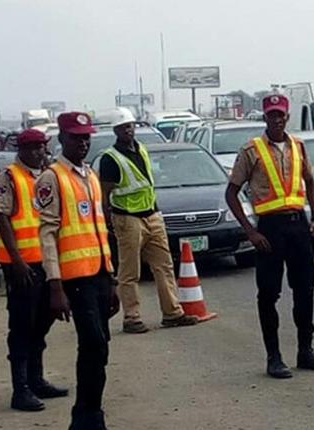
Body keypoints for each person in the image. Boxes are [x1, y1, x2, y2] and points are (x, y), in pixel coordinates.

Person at [225, 95, 314, 379]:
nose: (277, 119)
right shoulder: (252, 150)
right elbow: (231, 192)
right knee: (269, 293)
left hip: (298, 226)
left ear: (287, 116)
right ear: (265, 118)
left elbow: (310, 181)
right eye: (272, 115)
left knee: (305, 288)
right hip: (269, 230)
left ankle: (305, 350)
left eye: (281, 115)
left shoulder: (298, 146)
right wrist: (250, 231)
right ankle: (274, 357)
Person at [36, 112, 119, 428]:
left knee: (100, 350)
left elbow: (100, 230)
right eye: (76, 137)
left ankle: (89, 413)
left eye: (86, 137)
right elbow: (47, 234)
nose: (83, 142)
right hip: (74, 280)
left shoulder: (90, 175)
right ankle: (86, 417)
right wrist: (55, 286)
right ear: (62, 139)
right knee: (93, 346)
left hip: (98, 275)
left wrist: (111, 279)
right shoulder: (52, 178)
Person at [98, 107, 198, 332]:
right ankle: (132, 318)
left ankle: (172, 312)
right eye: (124, 127)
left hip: (151, 214)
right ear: (116, 130)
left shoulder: (141, 149)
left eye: (130, 126)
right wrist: (108, 222)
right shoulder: (110, 159)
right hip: (128, 218)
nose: (128, 130)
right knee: (129, 271)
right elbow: (105, 194)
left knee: (164, 266)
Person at [0, 129, 68, 412]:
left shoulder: (47, 176)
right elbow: (1, 218)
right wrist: (17, 261)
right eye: (32, 148)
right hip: (21, 265)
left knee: (43, 321)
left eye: (42, 147)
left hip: (47, 263)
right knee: (22, 325)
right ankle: (20, 389)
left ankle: (36, 380)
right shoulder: (8, 177)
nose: (38, 152)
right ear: (20, 150)